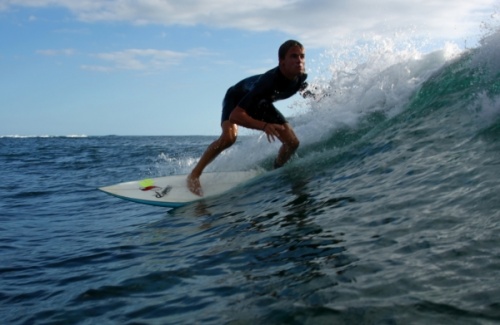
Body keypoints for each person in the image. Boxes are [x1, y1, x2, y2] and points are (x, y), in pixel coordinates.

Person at [187, 40, 311, 196]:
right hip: (237, 98)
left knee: (292, 142)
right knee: (229, 138)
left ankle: (277, 169)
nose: (299, 60)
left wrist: (320, 97)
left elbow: (303, 89)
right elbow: (235, 115)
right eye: (294, 56)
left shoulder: (300, 77)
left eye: (302, 56)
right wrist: (264, 126)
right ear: (282, 61)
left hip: (263, 103)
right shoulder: (268, 81)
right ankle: (194, 175)